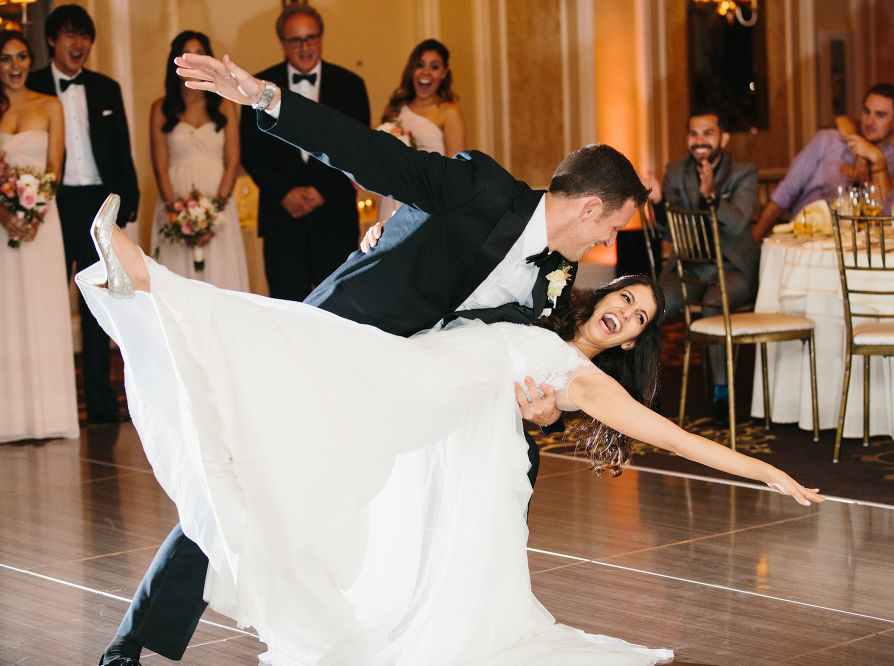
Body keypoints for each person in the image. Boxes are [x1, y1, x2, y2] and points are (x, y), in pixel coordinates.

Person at [82, 194, 822, 662]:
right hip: (399, 368)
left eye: (635, 322)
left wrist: (767, 471)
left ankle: (146, 279)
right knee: (269, 412)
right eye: (625, 299)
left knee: (284, 346)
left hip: (405, 392)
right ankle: (143, 284)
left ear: (631, 342)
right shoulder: (531, 309)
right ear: (606, 288)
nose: (622, 315)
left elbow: (671, 435)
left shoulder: (579, 379)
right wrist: (379, 239)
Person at [95, 48, 646, 666]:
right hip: (336, 342)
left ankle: (358, 628)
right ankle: (132, 645)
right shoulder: (481, 188)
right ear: (591, 207)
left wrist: (540, 412)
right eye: (612, 226)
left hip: (393, 396)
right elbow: (372, 156)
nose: (607, 241)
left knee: (287, 498)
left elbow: (515, 350)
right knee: (245, 475)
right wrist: (263, 99)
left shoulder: (557, 274)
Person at [26, 4, 140, 424]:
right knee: (46, 302)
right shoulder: (33, 86)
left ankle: (100, 403)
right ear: (52, 40)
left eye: (85, 36)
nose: (79, 44)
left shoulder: (106, 88)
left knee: (99, 304)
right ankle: (49, 402)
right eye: (70, 35)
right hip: (52, 207)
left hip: (98, 207)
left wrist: (127, 206)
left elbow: (122, 152)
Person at [0, 31, 79, 443]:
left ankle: (51, 417)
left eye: (21, 57)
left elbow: (54, 166)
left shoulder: (50, 105)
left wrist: (35, 211)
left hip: (41, 220)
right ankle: (3, 422)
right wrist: (2, 211)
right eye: (5, 59)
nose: (15, 66)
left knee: (41, 306)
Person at [241, 2, 370, 302]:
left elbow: (360, 149)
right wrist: (284, 193)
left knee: (341, 309)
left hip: (335, 218)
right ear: (282, 43)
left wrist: (325, 189)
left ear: (321, 37)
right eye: (296, 40)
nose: (305, 47)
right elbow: (251, 152)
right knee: (287, 313)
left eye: (311, 37)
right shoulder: (257, 87)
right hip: (282, 222)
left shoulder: (351, 85)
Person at [641, 108, 758, 427]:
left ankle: (723, 395)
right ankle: (646, 390)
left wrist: (711, 197)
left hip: (732, 267)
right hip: (689, 267)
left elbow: (736, 224)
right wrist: (660, 202)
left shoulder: (744, 172)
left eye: (707, 133)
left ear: (723, 137)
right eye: (693, 133)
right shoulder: (676, 172)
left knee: (711, 308)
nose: (700, 140)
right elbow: (665, 233)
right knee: (651, 304)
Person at [149, 31, 248, 291]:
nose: (194, 60)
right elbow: (159, 166)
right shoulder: (160, 108)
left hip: (219, 201)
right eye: (187, 54)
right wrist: (176, 214)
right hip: (175, 200)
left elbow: (233, 162)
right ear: (176, 60)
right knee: (178, 281)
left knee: (221, 280)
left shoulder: (226, 104)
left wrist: (213, 213)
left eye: (201, 54)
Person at [753, 83, 894, 242]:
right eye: (866, 111)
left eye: (880, 115)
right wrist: (754, 241)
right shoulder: (827, 140)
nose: (869, 121)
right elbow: (786, 193)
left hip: (856, 249)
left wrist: (876, 158)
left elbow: (889, 218)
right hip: (804, 238)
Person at [375, 38, 466, 224]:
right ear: (411, 70)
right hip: (391, 196)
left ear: (444, 73)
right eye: (420, 65)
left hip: (425, 199)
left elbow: (455, 169)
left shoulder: (448, 112)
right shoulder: (394, 108)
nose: (426, 72)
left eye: (434, 67)